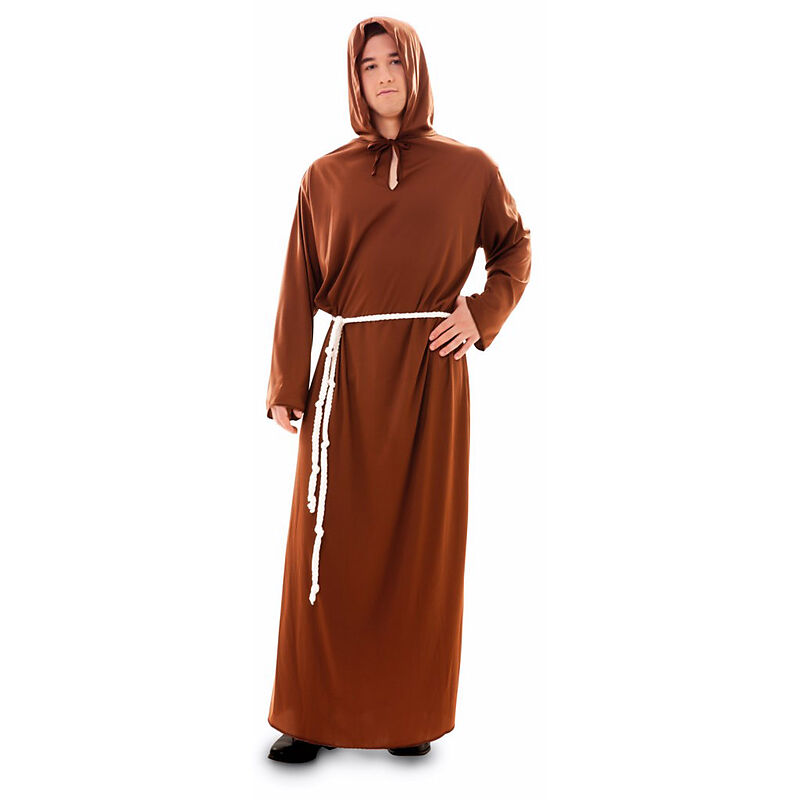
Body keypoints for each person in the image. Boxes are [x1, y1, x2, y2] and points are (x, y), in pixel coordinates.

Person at [265, 16, 531, 763]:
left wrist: (481, 313)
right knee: (325, 543)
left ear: (416, 70)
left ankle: (409, 713)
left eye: (395, 61)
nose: (383, 75)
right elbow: (297, 280)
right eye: (368, 64)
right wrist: (287, 379)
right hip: (346, 375)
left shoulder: (469, 169)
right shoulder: (323, 177)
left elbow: (514, 246)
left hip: (430, 376)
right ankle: (310, 715)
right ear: (354, 78)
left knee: (421, 546)